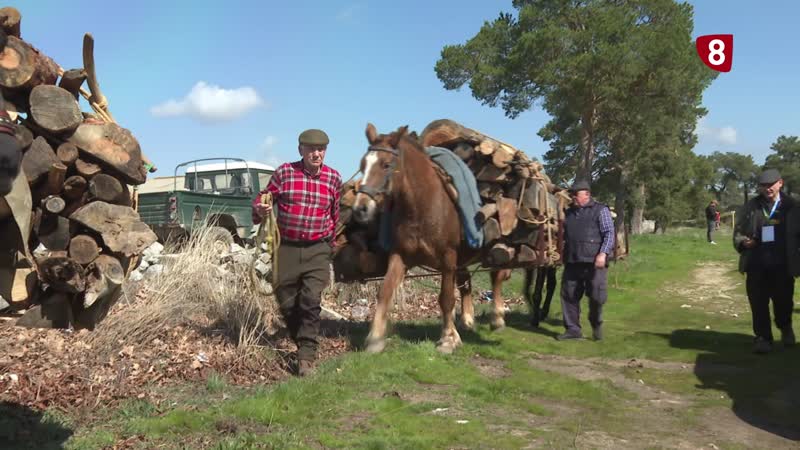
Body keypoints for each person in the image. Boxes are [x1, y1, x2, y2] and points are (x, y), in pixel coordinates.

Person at [252, 129, 342, 376]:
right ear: (300, 149)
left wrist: (330, 245)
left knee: (311, 300)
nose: (316, 154)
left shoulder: (333, 178)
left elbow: (335, 215)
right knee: (287, 300)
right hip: (287, 247)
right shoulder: (285, 173)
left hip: (317, 248)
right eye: (311, 149)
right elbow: (264, 197)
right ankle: (301, 338)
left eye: (321, 149)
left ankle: (306, 356)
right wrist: (260, 208)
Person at [733, 168, 798, 354]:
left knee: (784, 302)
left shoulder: (793, 206)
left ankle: (785, 327)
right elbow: (738, 232)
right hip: (756, 264)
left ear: (780, 183)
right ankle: (762, 338)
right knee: (758, 303)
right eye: (763, 185)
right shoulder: (751, 206)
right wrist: (743, 243)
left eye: (771, 184)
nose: (767, 188)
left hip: (783, 264)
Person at [557, 180, 615, 341]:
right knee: (568, 296)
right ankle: (573, 330)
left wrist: (603, 254)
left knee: (597, 296)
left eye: (576, 194)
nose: (573, 197)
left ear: (587, 194)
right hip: (573, 261)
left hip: (594, 263)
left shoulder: (600, 210)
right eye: (572, 194)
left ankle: (596, 324)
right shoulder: (568, 213)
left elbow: (609, 233)